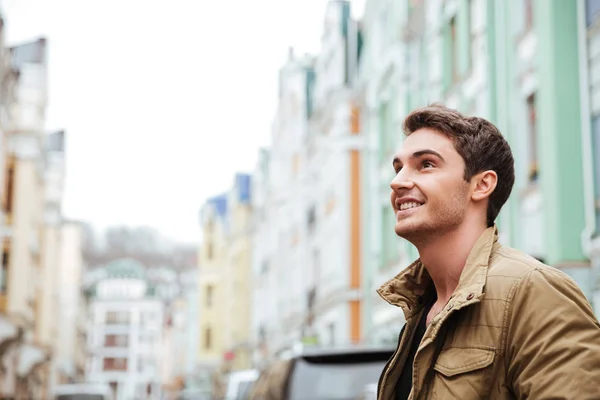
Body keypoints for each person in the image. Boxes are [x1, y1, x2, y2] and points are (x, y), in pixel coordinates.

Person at [376, 103, 600, 399]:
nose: (398, 181)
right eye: (398, 168)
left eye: (426, 164)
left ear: (481, 185)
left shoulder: (532, 290)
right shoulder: (419, 311)